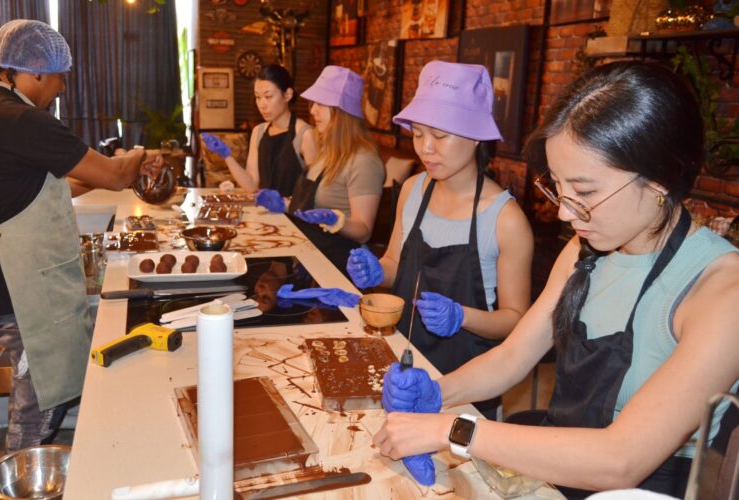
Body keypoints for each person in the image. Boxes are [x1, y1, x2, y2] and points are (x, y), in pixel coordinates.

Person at [372, 61, 739, 497]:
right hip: (556, 465)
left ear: (659, 181)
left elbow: (620, 461)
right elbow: (512, 359)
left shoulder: (721, 292)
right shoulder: (586, 249)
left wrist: (455, 429)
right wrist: (436, 392)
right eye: (558, 188)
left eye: (584, 193)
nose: (565, 213)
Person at [0, 20, 159, 452]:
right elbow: (117, 175)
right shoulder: (24, 121)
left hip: (6, 282)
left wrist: (112, 172)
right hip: (27, 290)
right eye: (61, 75)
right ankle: (23, 474)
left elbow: (45, 188)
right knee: (37, 402)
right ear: (35, 73)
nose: (63, 87)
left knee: (42, 388)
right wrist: (142, 156)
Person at [346, 61, 533, 420]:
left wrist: (462, 316)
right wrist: (374, 271)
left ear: (476, 136)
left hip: (467, 390)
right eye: (417, 133)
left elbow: (515, 320)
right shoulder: (413, 190)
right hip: (401, 367)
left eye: (440, 135)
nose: (426, 149)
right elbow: (395, 266)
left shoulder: (504, 220)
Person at [255, 65, 385, 273]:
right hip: (309, 258)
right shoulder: (327, 152)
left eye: (321, 104)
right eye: (313, 103)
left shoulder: (364, 160)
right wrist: (285, 204)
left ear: (343, 111)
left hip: (338, 265)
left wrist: (337, 221)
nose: (313, 110)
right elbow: (311, 206)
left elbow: (364, 231)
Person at [201, 64, 317, 196]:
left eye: (268, 97)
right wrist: (227, 156)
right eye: (258, 97)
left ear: (288, 95)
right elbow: (251, 185)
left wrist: (286, 204)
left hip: (293, 215)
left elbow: (314, 191)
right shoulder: (259, 131)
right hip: (266, 213)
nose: (262, 104)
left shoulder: (304, 134)